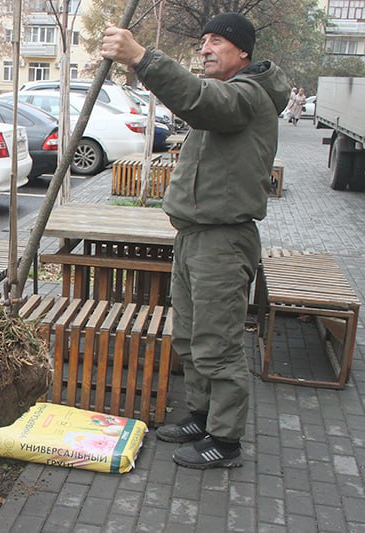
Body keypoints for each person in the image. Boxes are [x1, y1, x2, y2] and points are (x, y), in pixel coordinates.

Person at [102, 13, 289, 469]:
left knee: (217, 343)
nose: (205, 48)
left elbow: (200, 100)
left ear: (243, 51)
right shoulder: (230, 96)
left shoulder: (246, 96)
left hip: (222, 242)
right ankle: (202, 416)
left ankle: (225, 441)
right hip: (196, 237)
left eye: (218, 41)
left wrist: (144, 58)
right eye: (203, 40)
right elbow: (198, 102)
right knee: (190, 337)